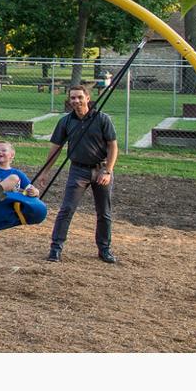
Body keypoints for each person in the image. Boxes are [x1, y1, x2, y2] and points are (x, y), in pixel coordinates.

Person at [47, 83, 120, 264]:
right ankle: (56, 248)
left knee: (104, 212)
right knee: (66, 209)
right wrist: (45, 171)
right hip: (78, 170)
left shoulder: (102, 118)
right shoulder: (66, 121)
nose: (76, 101)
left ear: (88, 98)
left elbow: (113, 146)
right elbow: (56, 148)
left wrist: (108, 171)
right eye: (73, 97)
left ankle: (104, 249)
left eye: (80, 97)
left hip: (101, 169)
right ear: (69, 100)